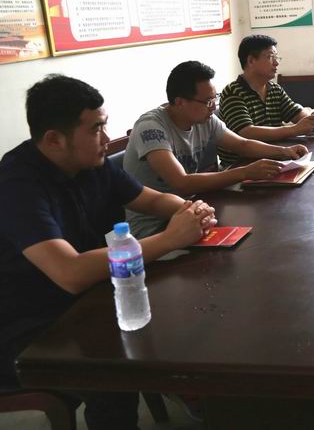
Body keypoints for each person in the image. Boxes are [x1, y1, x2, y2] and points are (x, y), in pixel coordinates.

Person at [0, 75, 215, 429]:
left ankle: (195, 392)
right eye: (96, 129)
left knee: (185, 310)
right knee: (111, 368)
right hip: (28, 323)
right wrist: (170, 239)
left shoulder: (91, 163)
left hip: (88, 298)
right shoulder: (17, 184)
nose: (106, 138)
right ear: (54, 139)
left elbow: (151, 200)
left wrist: (190, 211)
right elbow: (69, 273)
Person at [124, 60, 308, 238]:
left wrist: (284, 152)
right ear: (179, 102)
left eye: (215, 98)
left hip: (194, 211)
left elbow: (242, 145)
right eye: (207, 101)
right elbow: (181, 182)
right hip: (155, 227)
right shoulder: (151, 127)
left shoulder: (205, 119)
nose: (213, 107)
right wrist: (244, 172)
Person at [218, 35, 314, 167]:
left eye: (276, 57)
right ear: (251, 61)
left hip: (275, 157)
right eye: (270, 57)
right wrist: (294, 130)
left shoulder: (274, 89)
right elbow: (246, 132)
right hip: (241, 166)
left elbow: (296, 113)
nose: (276, 63)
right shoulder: (233, 92)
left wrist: (313, 120)